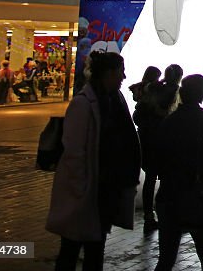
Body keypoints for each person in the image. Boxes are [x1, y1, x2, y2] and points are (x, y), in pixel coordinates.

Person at [46, 51, 141, 271]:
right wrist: (81, 187)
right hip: (87, 189)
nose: (124, 77)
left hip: (104, 189)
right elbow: (74, 150)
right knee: (72, 247)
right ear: (109, 73)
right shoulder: (84, 103)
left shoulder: (114, 99)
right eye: (120, 72)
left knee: (95, 248)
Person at [154, 74, 203, 271]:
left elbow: (158, 158)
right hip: (196, 194)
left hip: (169, 193)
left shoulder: (169, 121)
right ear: (202, 94)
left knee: (166, 257)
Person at [131, 66, 164, 234]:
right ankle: (154, 214)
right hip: (155, 142)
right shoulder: (152, 95)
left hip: (144, 141)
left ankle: (149, 215)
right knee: (156, 179)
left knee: (150, 180)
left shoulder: (140, 92)